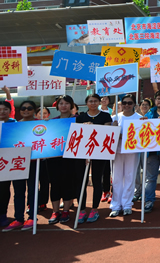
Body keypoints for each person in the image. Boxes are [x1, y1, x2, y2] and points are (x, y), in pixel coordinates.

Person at [74, 94, 113, 224]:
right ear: (86, 103)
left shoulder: (105, 116)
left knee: (97, 180)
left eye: (96, 101)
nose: (93, 103)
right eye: (90, 101)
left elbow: (107, 132)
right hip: (83, 154)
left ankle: (94, 209)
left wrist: (94, 127)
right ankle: (82, 209)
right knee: (81, 182)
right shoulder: (80, 118)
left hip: (99, 153)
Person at [46, 96, 77, 225]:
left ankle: (65, 210)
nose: (63, 106)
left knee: (68, 183)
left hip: (70, 157)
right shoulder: (52, 121)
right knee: (54, 184)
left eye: (66, 103)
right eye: (61, 104)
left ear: (71, 105)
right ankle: (55, 211)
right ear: (57, 106)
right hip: (54, 157)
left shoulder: (77, 120)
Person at [109, 95, 141, 217]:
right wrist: (114, 128)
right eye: (124, 103)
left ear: (134, 104)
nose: (127, 105)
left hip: (132, 152)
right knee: (116, 179)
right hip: (117, 152)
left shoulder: (140, 118)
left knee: (130, 177)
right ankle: (116, 205)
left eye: (130, 103)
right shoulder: (114, 118)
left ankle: (127, 204)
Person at [1, 101, 19, 230]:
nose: (2, 112)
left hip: (8, 161)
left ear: (10, 110)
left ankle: (3, 214)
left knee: (4, 189)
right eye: (0, 109)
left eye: (5, 109)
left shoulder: (14, 124)